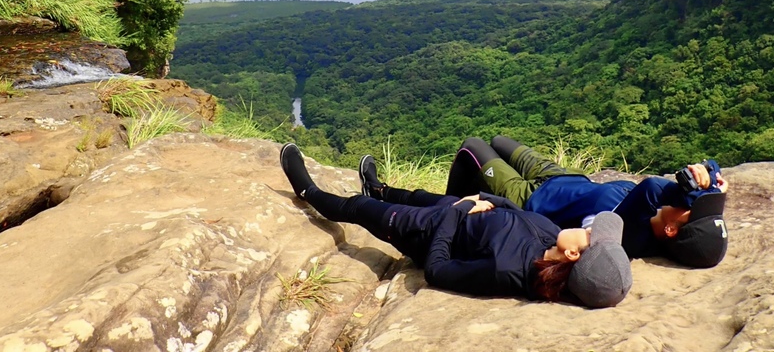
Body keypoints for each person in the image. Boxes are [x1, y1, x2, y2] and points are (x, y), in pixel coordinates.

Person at [279, 143, 631, 307]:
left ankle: (308, 190)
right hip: (463, 212)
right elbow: (516, 214)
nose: (588, 227)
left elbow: (437, 270)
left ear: (572, 255)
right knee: (415, 194)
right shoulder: (553, 236)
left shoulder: (506, 270)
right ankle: (380, 187)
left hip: (426, 232)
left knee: (358, 207)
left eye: (590, 235)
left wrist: (457, 213)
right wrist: (489, 201)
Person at [436, 135, 729, 268]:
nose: (693, 202)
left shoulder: (628, 232)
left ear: (671, 231)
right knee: (499, 140)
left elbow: (652, 186)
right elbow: (703, 184)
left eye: (692, 211)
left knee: (472, 147)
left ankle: (442, 219)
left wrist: (692, 184)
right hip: (562, 177)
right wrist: (713, 183)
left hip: (531, 197)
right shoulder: (658, 220)